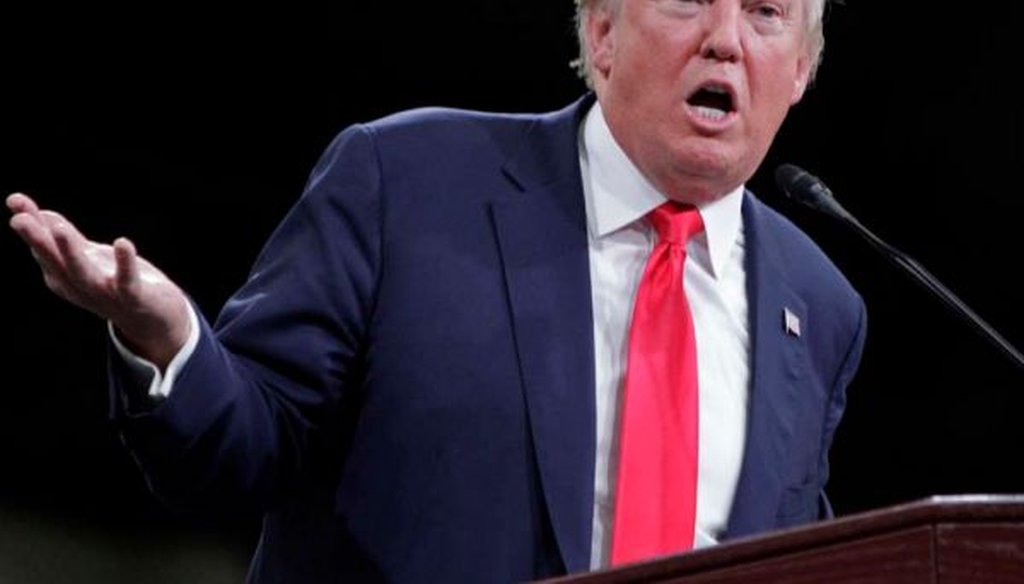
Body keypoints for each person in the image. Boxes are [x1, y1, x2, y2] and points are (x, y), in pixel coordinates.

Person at [7, 0, 866, 581]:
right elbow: (246, 447)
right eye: (687, 1)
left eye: (766, 14)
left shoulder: (819, 306)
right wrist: (169, 345)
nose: (726, 38)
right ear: (602, 34)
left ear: (801, 71)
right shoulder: (407, 183)